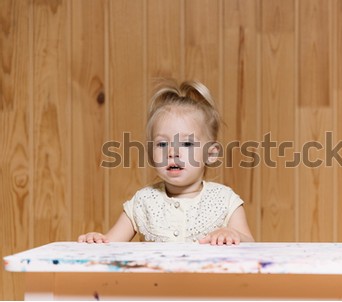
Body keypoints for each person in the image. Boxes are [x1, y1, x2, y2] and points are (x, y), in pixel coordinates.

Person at [78, 79, 254, 245]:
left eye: (186, 143)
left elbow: (253, 245)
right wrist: (97, 240)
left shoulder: (224, 200)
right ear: (150, 154)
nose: (172, 152)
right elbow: (110, 244)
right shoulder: (143, 201)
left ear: (211, 153)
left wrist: (234, 235)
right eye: (162, 144)